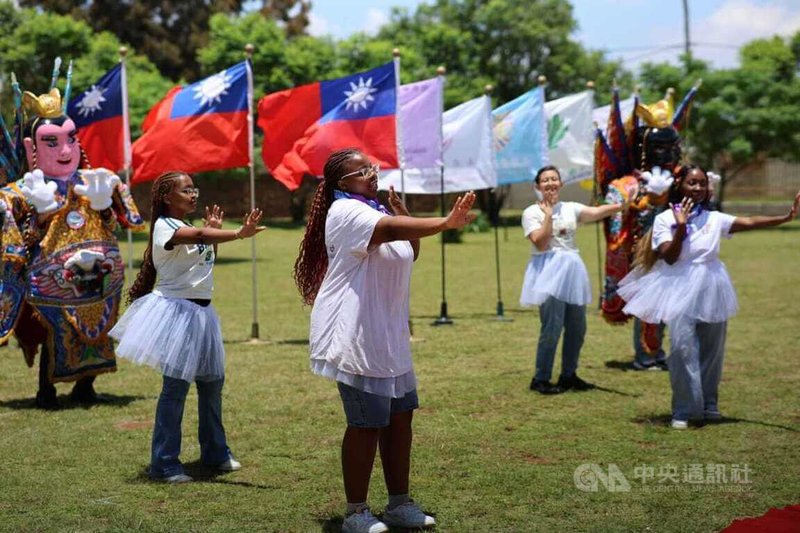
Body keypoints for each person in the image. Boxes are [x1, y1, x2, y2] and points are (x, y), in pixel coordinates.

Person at [294, 148, 476, 533]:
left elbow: (407, 249)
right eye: (362, 172)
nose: (372, 174)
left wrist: (404, 215)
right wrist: (444, 222)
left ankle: (398, 504)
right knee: (366, 422)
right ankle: (356, 512)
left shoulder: (373, 209)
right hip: (358, 335)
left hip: (388, 335)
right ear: (342, 184)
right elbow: (390, 232)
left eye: (372, 168)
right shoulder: (346, 212)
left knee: (399, 418)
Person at [109, 171, 265, 482]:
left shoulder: (191, 227)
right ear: (167, 197)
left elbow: (203, 258)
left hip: (203, 314)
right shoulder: (166, 227)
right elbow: (196, 239)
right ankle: (164, 463)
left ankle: (216, 452)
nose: (193, 194)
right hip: (177, 313)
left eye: (195, 189)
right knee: (175, 388)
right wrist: (236, 234)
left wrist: (214, 234)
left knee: (212, 384)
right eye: (185, 190)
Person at [618, 165, 800, 429]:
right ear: (679, 185)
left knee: (712, 349)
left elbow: (747, 222)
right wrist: (680, 227)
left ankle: (708, 405)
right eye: (692, 183)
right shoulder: (664, 219)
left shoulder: (714, 218)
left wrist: (785, 217)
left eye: (702, 183)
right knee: (681, 348)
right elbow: (669, 257)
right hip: (678, 285)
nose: (698, 188)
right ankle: (685, 408)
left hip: (712, 285)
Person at [0, 86, 144, 409]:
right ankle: (46, 391)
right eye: (52, 141)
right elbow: (15, 241)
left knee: (99, 329)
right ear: (31, 146)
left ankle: (85, 386)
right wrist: (38, 214)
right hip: (52, 279)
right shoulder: (20, 191)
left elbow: (117, 223)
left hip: (98, 276)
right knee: (57, 332)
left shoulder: (96, 180)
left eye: (70, 138)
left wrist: (105, 205)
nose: (64, 149)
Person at [522, 165, 628, 395]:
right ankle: (540, 378)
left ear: (560, 184)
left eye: (554, 179)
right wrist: (548, 215)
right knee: (552, 326)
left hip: (572, 272)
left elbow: (596, 212)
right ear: (538, 186)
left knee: (577, 326)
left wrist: (623, 205)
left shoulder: (570, 208)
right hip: (548, 270)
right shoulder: (531, 212)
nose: (550, 183)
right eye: (545, 180)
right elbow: (539, 242)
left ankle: (569, 374)